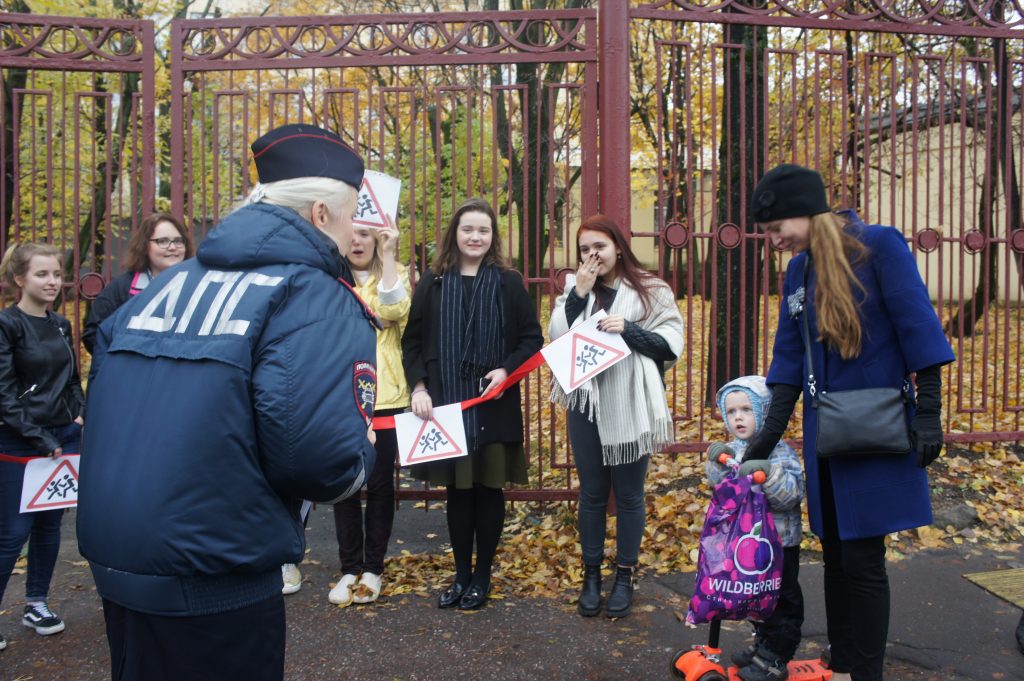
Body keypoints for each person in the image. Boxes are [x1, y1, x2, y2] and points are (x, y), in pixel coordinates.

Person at [77, 123, 378, 681]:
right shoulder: (313, 296)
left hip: (120, 555)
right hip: (214, 566)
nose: (353, 232)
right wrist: (362, 455)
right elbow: (317, 460)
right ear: (319, 214)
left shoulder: (172, 283)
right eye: (351, 215)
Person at [744, 164, 955, 681]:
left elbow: (918, 328)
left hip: (875, 431)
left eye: (775, 229)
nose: (771, 241)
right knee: (835, 556)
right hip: (826, 435)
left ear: (806, 212)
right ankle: (844, 657)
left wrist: (929, 412)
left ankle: (865, 671)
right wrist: (764, 442)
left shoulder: (878, 246)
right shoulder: (799, 271)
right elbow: (787, 361)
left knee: (862, 561)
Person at [401, 197, 542, 611]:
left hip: (492, 403)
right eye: (468, 229)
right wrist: (419, 388)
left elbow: (531, 339)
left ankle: (483, 577)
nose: (475, 236)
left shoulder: (508, 282)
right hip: (444, 404)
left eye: (483, 230)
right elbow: (411, 340)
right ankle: (461, 575)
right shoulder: (433, 281)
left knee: (488, 489)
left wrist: (505, 370)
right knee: (459, 492)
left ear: (492, 236)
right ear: (455, 234)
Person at [549, 214, 683, 619]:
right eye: (585, 250)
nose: (592, 256)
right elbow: (558, 337)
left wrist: (629, 329)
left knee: (628, 495)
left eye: (599, 247)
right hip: (587, 403)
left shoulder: (651, 290)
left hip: (631, 403)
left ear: (618, 247)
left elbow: (670, 345)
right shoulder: (576, 288)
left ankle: (624, 575)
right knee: (591, 493)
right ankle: (591, 576)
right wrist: (578, 295)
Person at [0, 242, 84, 650]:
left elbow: (71, 379)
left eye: (56, 274)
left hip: (63, 438)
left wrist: (79, 414)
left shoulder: (60, 325)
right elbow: (4, 394)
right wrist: (40, 438)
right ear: (19, 279)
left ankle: (37, 602)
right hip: (21, 443)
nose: (52, 282)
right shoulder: (7, 325)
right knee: (12, 533)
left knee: (51, 525)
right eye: (42, 274)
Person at [329, 215, 411, 606]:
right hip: (340, 396)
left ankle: (373, 569)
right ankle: (349, 567)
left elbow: (396, 311)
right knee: (345, 486)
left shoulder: (395, 276)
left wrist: (391, 255)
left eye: (367, 234)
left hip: (387, 396)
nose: (358, 241)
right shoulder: (328, 279)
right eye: (353, 233)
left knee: (379, 486)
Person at [706, 376, 804, 681]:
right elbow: (722, 490)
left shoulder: (780, 452)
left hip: (779, 543)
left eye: (747, 409)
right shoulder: (733, 449)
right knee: (756, 597)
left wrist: (768, 474)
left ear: (764, 411)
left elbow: (792, 494)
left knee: (781, 601)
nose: (738, 417)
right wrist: (716, 465)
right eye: (732, 411)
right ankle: (764, 644)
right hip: (747, 545)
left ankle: (776, 656)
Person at [82, 212, 193, 355]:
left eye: (178, 240)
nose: (172, 247)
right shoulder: (121, 288)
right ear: (145, 246)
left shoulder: (197, 286)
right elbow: (93, 335)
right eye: (163, 241)